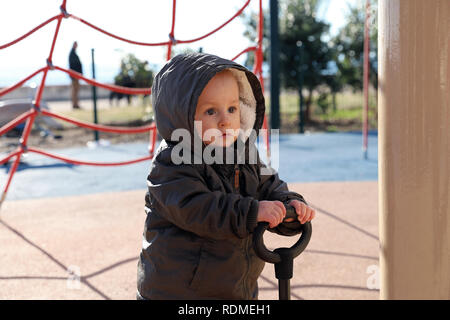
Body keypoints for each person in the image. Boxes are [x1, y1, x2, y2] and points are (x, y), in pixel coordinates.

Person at [137, 53, 315, 300]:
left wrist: (289, 206)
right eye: (211, 111)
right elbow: (198, 209)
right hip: (179, 292)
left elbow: (270, 186)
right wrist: (253, 212)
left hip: (234, 289)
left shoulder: (243, 152)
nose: (225, 121)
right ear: (182, 117)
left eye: (232, 108)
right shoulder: (172, 163)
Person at [68, 41, 83, 109]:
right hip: (75, 75)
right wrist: (76, 74)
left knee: (76, 90)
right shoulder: (72, 53)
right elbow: (74, 66)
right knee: (75, 90)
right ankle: (75, 104)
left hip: (76, 75)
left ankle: (76, 104)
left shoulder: (73, 53)